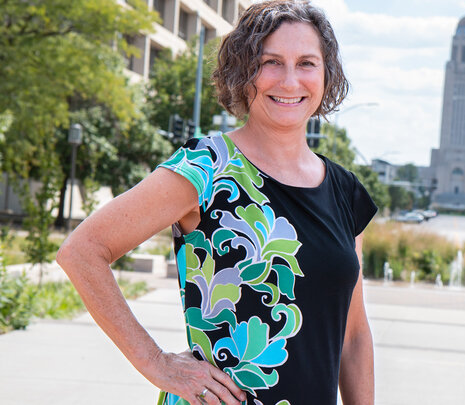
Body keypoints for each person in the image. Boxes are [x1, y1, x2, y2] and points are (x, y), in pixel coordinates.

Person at [56, 1, 377, 404]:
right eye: (271, 62)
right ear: (243, 72)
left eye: (307, 63)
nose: (291, 80)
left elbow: (353, 334)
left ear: (326, 74)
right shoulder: (206, 166)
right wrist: (156, 362)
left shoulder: (346, 192)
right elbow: (82, 251)